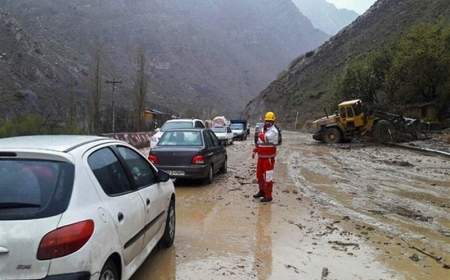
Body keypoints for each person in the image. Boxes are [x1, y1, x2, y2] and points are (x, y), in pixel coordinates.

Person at [252, 112, 280, 202]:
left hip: (268, 158)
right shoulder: (264, 130)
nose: (268, 122)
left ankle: (268, 196)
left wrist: (259, 133)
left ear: (273, 121)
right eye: (267, 121)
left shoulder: (274, 131)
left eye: (270, 121)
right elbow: (260, 142)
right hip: (261, 157)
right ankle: (262, 191)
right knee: (259, 176)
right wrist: (255, 151)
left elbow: (264, 138)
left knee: (268, 177)